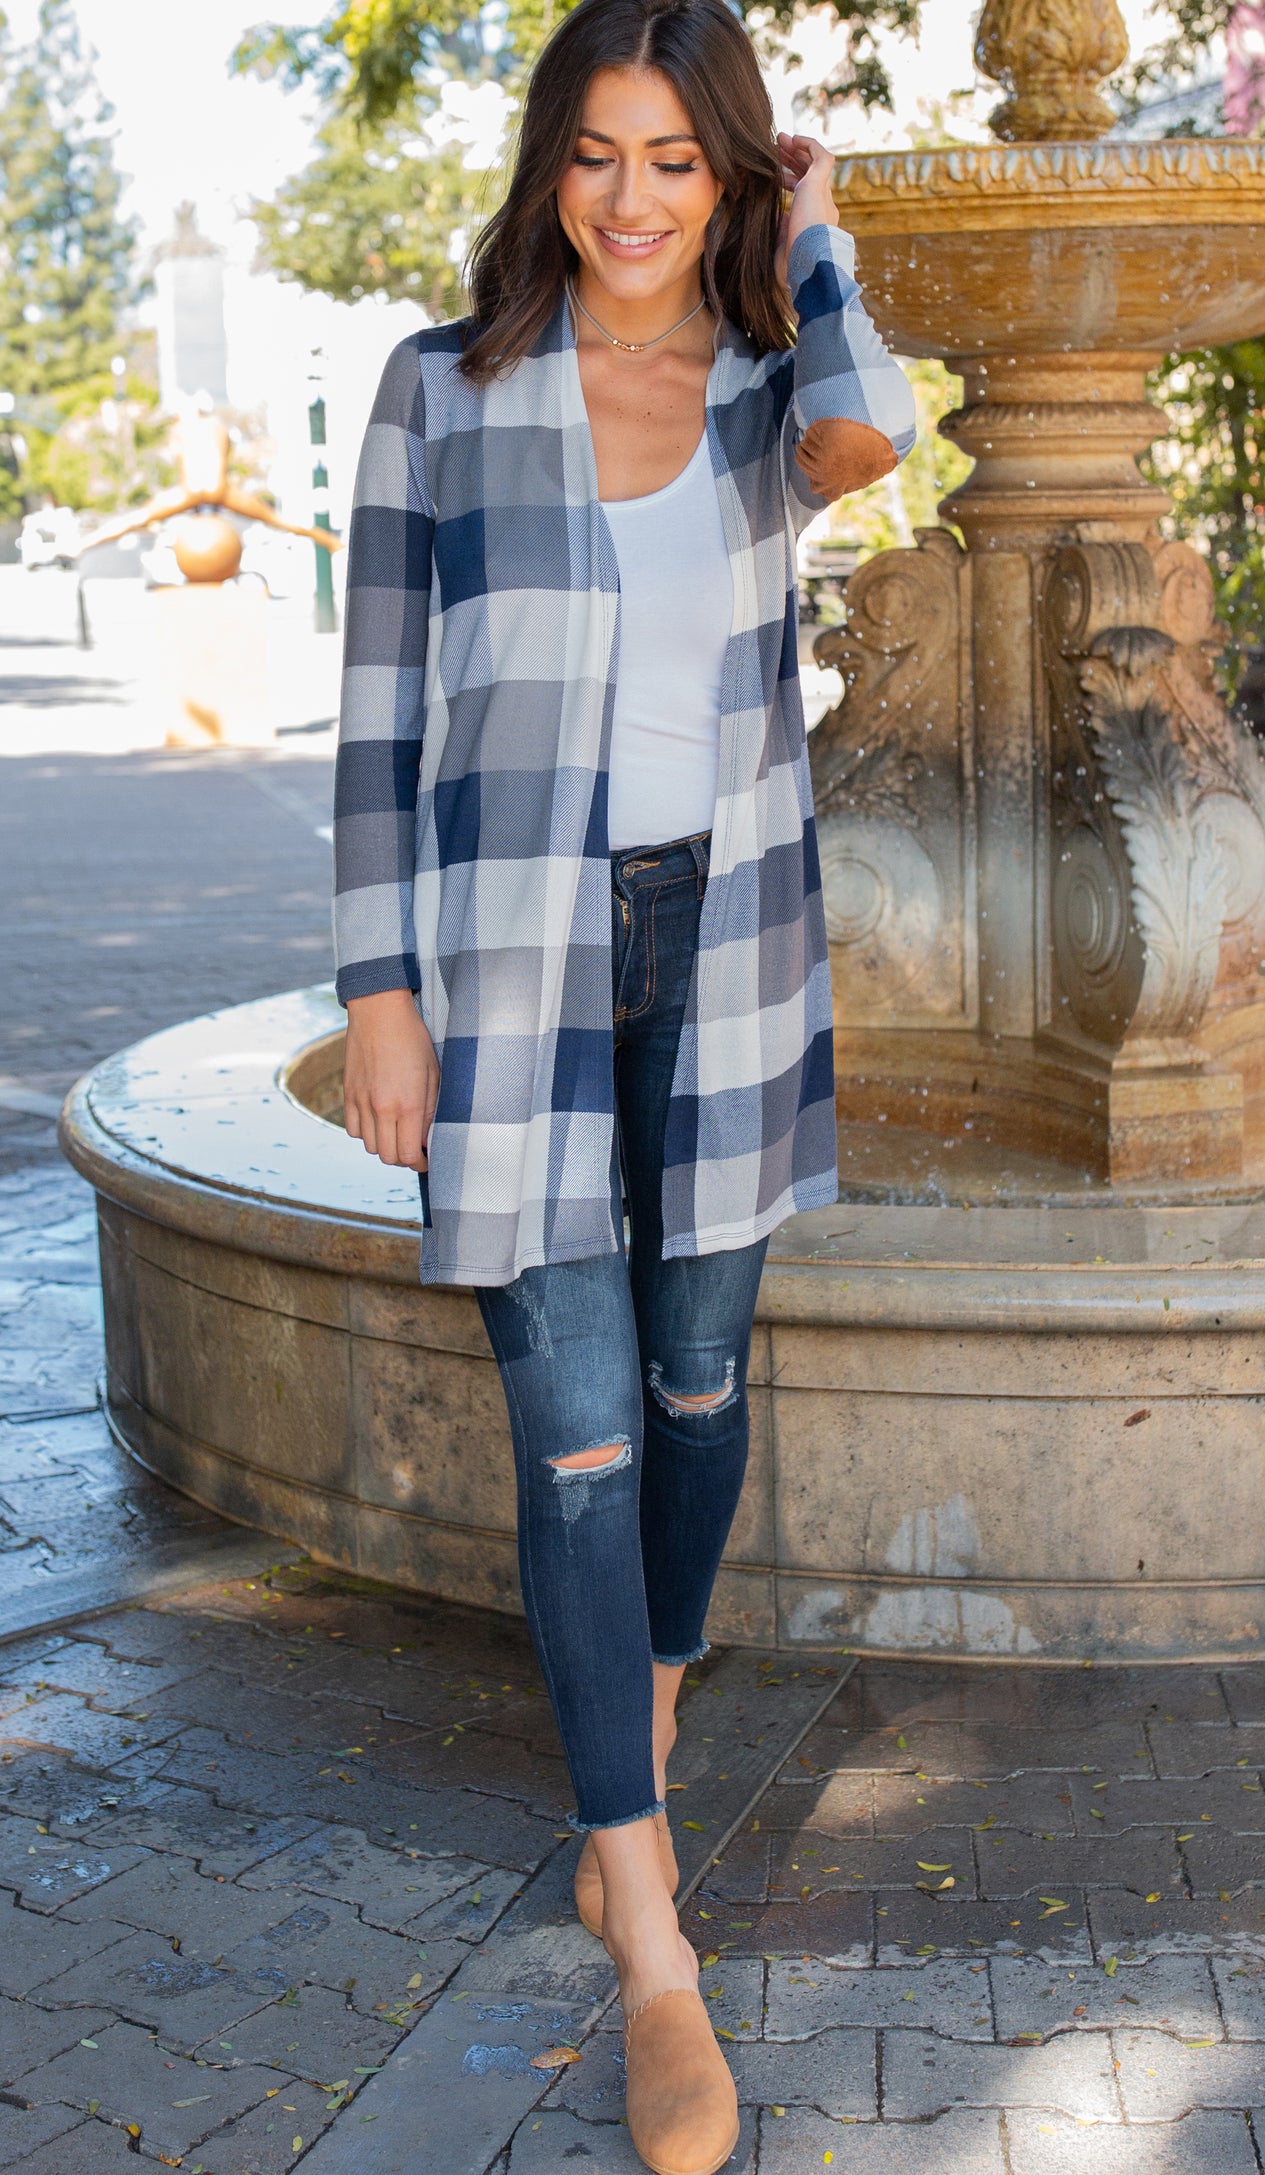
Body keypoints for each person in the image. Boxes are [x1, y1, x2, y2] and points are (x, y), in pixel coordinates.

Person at [332, 1, 913, 2165]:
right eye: (595, 152)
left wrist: (817, 236)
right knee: (576, 1442)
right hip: (508, 963)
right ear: (544, 168)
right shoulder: (441, 389)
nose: (631, 197)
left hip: (724, 942)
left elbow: (873, 438)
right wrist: (377, 992)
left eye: (678, 156)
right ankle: (652, 1944)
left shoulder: (769, 391)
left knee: (693, 1396)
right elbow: (377, 710)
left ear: (727, 173)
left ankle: (631, 1752)